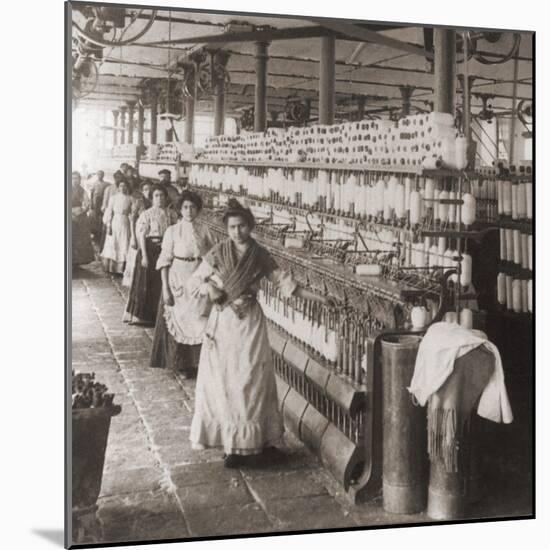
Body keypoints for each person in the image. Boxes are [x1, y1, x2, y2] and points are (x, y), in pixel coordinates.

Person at [188, 199, 332, 468]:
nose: (237, 232)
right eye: (232, 227)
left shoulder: (261, 255)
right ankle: (232, 445)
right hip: (223, 323)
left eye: (242, 226)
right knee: (226, 381)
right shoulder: (218, 252)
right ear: (226, 228)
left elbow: (287, 286)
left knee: (251, 378)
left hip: (250, 324)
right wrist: (210, 288)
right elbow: (194, 280)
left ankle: (254, 445)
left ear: (251, 227)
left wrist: (321, 300)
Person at [150, 191, 215, 376]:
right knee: (178, 319)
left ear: (198, 209)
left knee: (199, 320)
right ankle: (181, 364)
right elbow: (164, 261)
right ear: (180, 209)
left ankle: (197, 364)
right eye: (185, 207)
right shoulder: (172, 231)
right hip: (178, 277)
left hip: (198, 277)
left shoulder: (205, 230)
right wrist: (166, 289)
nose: (189, 211)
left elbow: (212, 258)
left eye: (193, 207)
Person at [123, 185, 178, 325]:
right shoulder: (146, 214)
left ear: (166, 197)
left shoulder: (171, 214)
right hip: (149, 249)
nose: (159, 199)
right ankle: (144, 316)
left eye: (162, 196)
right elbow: (142, 235)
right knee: (147, 282)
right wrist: (145, 256)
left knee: (162, 281)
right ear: (152, 198)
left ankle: (161, 316)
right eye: (156, 196)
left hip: (165, 249)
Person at [122, 179, 152, 287]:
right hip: (139, 232)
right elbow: (132, 220)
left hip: (151, 234)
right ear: (141, 191)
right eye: (145, 189)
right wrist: (133, 237)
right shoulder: (138, 202)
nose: (147, 191)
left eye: (149, 189)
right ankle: (135, 281)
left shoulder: (154, 202)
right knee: (137, 256)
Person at [101, 178, 133, 275]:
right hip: (115, 222)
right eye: (120, 186)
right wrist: (108, 225)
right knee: (113, 242)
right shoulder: (113, 198)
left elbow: (132, 212)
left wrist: (131, 217)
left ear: (127, 187)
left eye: (124, 186)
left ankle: (121, 269)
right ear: (118, 187)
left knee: (124, 242)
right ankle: (111, 268)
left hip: (125, 222)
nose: (122, 188)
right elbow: (109, 211)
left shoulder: (130, 198)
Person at [71, 171, 95, 266]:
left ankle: (77, 261)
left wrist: (82, 210)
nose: (75, 181)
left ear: (80, 180)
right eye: (73, 178)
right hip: (69, 215)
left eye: (77, 178)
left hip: (80, 217)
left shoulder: (82, 191)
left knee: (80, 239)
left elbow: (87, 203)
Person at [89, 170, 109, 243]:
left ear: (103, 175)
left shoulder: (106, 184)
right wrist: (91, 203)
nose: (100, 176)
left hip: (102, 202)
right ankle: (94, 233)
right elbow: (91, 194)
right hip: (95, 202)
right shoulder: (94, 183)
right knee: (94, 217)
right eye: (99, 174)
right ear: (97, 175)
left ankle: (100, 234)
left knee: (101, 217)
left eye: (101, 174)